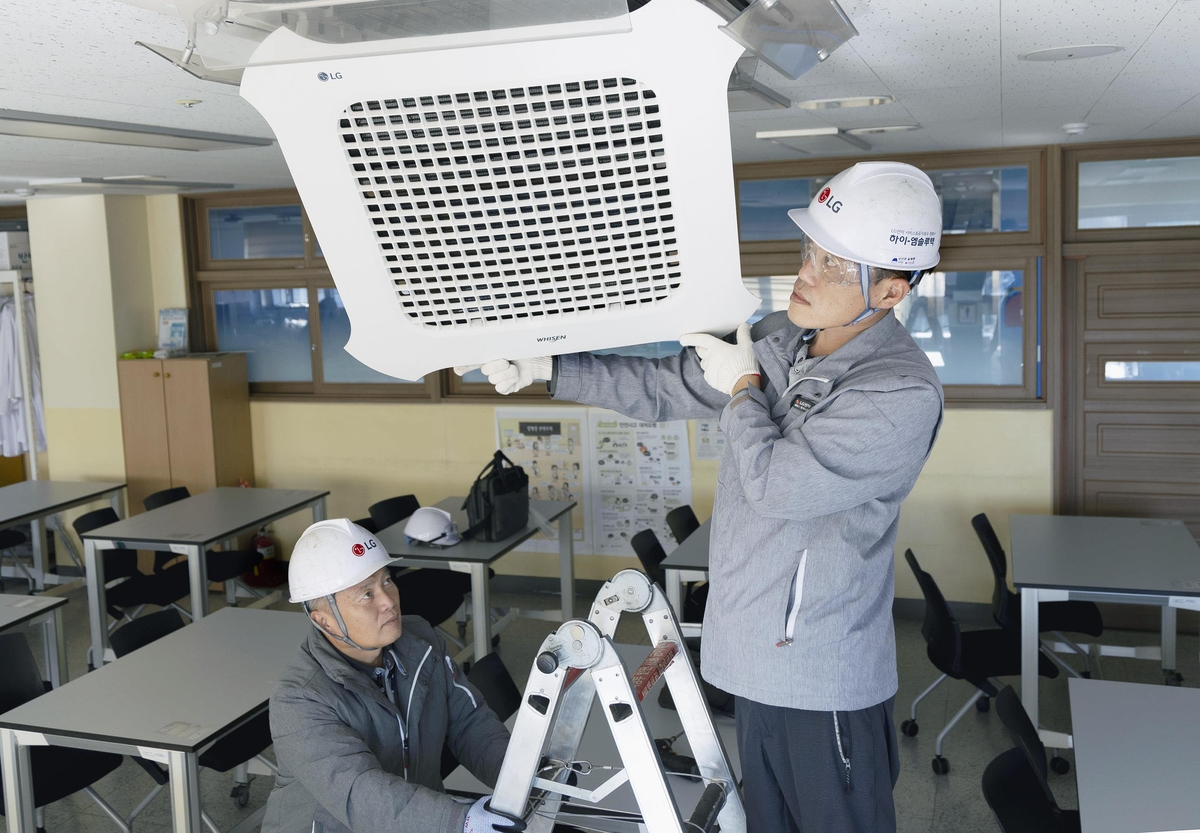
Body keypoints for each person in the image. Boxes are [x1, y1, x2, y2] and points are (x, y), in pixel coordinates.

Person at [459, 162, 945, 832]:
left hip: (820, 678)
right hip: (752, 663)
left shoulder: (898, 391)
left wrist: (744, 387)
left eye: (832, 265)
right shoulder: (783, 338)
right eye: (809, 251)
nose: (804, 271)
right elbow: (665, 387)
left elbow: (777, 485)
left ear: (890, 291)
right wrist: (549, 368)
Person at [262, 518, 521, 833]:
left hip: (417, 821)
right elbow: (361, 793)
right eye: (366, 594)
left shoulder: (421, 641)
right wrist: (459, 822)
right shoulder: (300, 700)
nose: (388, 601)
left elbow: (469, 723)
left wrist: (521, 779)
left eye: (386, 580)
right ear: (325, 621)